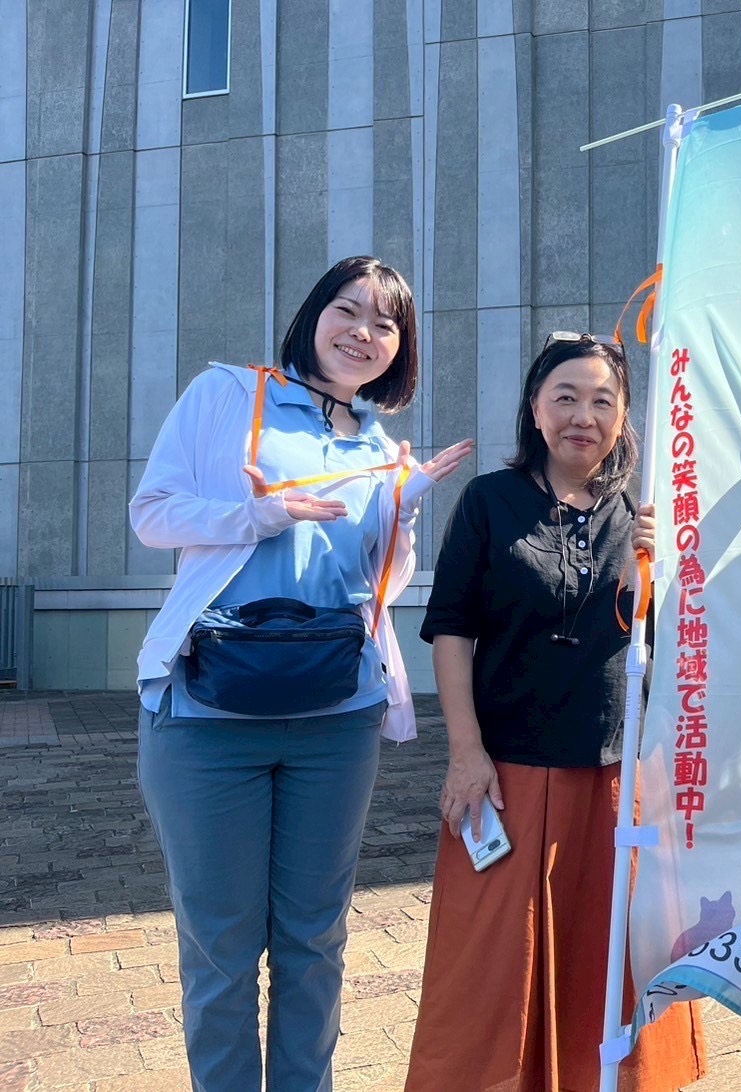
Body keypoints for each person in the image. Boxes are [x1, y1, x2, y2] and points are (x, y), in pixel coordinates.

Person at [130, 255, 473, 1090]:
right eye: (347, 310)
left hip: (335, 716)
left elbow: (378, 587)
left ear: (400, 348)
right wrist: (256, 514)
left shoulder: (381, 449)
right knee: (219, 945)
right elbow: (152, 515)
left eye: (385, 324)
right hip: (207, 713)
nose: (363, 333)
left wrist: (403, 509)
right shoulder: (226, 395)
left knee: (315, 941)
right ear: (313, 314)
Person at [405, 332, 706, 1091]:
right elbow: (452, 630)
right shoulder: (488, 501)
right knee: (492, 970)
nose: (583, 416)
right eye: (565, 397)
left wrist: (657, 572)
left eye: (603, 401)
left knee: (609, 961)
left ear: (625, 415)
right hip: (507, 771)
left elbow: (670, 643)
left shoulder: (642, 514)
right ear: (535, 409)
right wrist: (465, 752)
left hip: (615, 775)